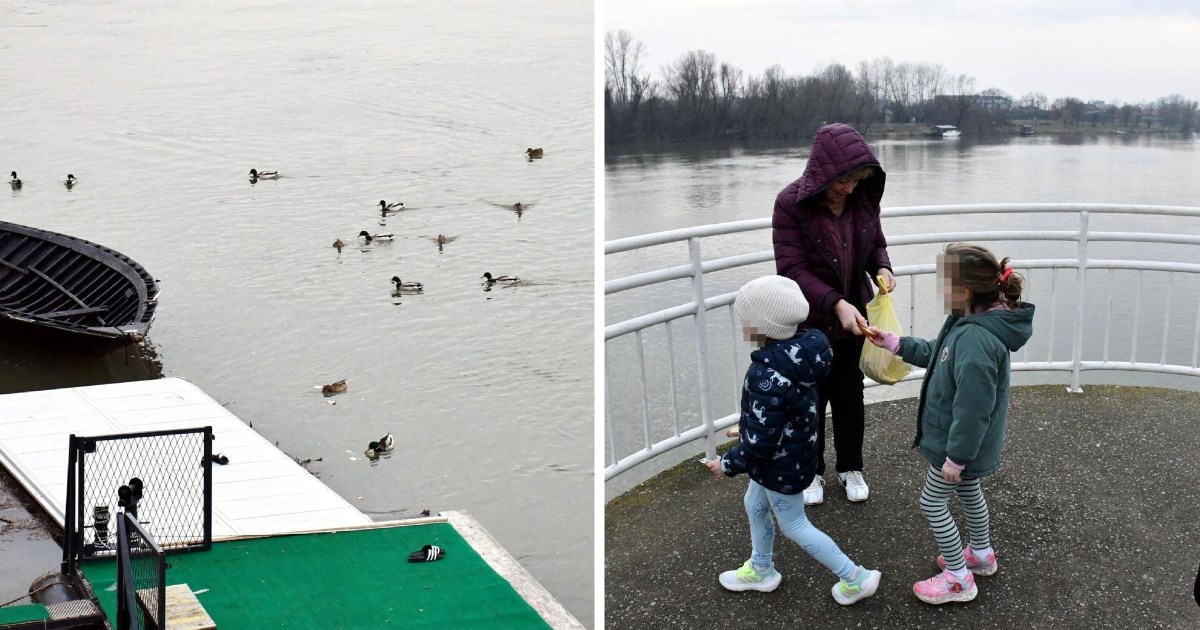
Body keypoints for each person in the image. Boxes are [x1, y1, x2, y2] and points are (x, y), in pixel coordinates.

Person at [865, 243, 1034, 604]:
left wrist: (955, 458)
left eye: (943, 282)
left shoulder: (976, 340)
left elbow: (973, 410)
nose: (939, 290)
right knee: (969, 491)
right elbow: (936, 353)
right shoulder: (966, 322)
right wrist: (895, 343)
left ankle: (958, 577)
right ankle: (981, 556)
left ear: (965, 292)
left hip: (957, 445)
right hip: (964, 446)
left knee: (931, 503)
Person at [705, 274, 881, 605]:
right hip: (796, 452)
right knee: (754, 504)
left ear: (763, 325)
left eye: (745, 318)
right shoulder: (805, 352)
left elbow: (761, 442)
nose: (741, 323)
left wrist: (727, 463)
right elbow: (777, 415)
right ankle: (761, 568)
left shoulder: (766, 373)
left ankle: (855, 577)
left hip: (778, 463)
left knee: (796, 525)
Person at [772, 123, 895, 505]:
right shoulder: (790, 204)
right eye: (845, 181)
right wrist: (835, 303)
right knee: (809, 400)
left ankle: (850, 467)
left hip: (853, 320)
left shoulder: (861, 201)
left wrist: (884, 268)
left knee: (849, 394)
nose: (850, 188)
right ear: (824, 173)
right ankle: (811, 472)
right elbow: (791, 269)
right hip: (809, 323)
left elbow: (875, 243)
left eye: (858, 180)